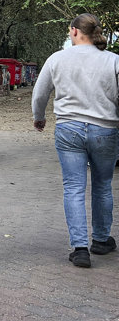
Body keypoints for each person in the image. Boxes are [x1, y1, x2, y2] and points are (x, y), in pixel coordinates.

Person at [31, 13, 119, 268]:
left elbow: (40, 94)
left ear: (74, 32)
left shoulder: (57, 59)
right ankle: (101, 240)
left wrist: (39, 118)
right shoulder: (113, 61)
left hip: (68, 128)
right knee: (103, 184)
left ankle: (80, 248)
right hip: (105, 129)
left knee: (73, 187)